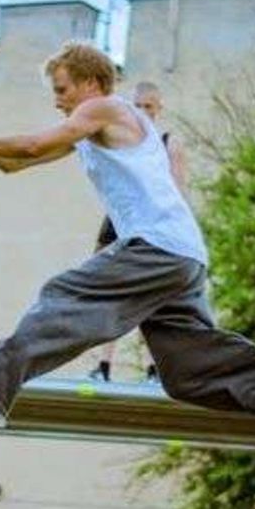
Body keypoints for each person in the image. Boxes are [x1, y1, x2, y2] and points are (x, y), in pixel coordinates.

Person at [0, 41, 255, 468]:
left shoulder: (107, 108)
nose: (56, 101)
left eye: (62, 90)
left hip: (155, 246)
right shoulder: (93, 128)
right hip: (181, 257)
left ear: (91, 83)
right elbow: (13, 164)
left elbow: (31, 146)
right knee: (187, 367)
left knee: (67, 296)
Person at [89, 81, 185, 384]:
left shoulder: (168, 143)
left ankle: (153, 369)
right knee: (108, 294)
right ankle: (102, 366)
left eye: (149, 106)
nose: (143, 111)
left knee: (150, 298)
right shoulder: (119, 140)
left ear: (158, 109)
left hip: (153, 227)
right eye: (138, 106)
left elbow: (178, 190)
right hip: (119, 224)